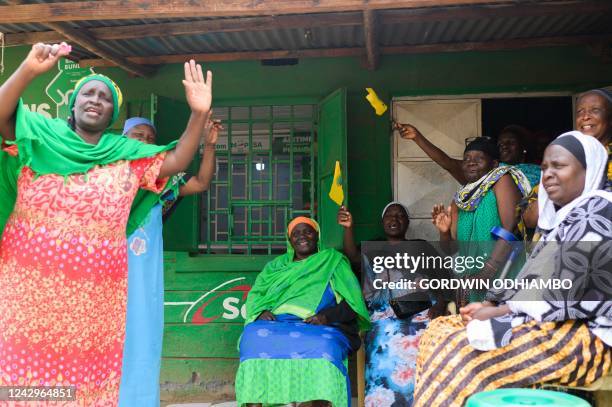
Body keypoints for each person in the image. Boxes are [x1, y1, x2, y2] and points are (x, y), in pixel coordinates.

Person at [0, 42, 212, 405]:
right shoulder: (39, 136)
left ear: (113, 113)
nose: (96, 99)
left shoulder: (127, 156)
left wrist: (198, 114)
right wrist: (28, 71)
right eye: (88, 93)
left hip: (95, 296)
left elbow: (177, 160)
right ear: (74, 105)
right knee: (22, 377)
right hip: (28, 292)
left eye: (105, 97)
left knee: (85, 381)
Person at [413, 131, 612, 407]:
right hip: (534, 317)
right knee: (437, 334)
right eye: (545, 168)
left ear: (589, 169)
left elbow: (566, 297)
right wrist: (494, 304)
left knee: (457, 356)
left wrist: (497, 311)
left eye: (560, 166)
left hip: (583, 336)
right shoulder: (564, 219)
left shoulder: (597, 214)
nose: (548, 175)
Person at [118, 116, 220, 406]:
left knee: (141, 337)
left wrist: (209, 145)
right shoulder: (106, 174)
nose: (145, 141)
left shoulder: (161, 183)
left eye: (151, 138)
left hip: (143, 277)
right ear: (122, 137)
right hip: (105, 271)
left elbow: (200, 183)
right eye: (138, 135)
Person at [235, 217, 370, 407]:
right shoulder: (275, 267)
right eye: (295, 234)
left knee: (324, 345)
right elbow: (256, 294)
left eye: (307, 231)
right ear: (289, 240)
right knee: (252, 337)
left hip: (319, 325)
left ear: (317, 236)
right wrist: (259, 311)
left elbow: (353, 303)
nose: (302, 237)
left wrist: (326, 316)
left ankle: (318, 402)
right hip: (277, 323)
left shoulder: (333, 261)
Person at [338, 202, 449, 407]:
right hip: (384, 314)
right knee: (383, 338)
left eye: (400, 216)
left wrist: (440, 305)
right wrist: (348, 229)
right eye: (389, 215)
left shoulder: (421, 246)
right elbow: (352, 256)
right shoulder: (373, 248)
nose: (394, 219)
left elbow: (442, 278)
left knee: (432, 337)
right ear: (382, 222)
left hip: (422, 311)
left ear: (407, 222)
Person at [430, 137, 530, 305]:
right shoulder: (460, 199)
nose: (471, 163)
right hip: (472, 281)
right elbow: (451, 250)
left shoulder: (501, 180)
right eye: (467, 159)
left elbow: (511, 229)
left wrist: (486, 273)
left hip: (504, 274)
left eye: (479, 158)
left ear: (494, 164)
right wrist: (444, 232)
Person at [522, 88, 612, 230]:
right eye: (580, 111)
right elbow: (528, 218)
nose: (585, 117)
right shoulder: (566, 155)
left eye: (595, 110)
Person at [394, 122, 540, 188]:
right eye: (500, 143)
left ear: (523, 148)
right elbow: (448, 163)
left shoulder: (539, 173)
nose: (504, 146)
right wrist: (417, 137)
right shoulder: (490, 173)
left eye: (510, 142)